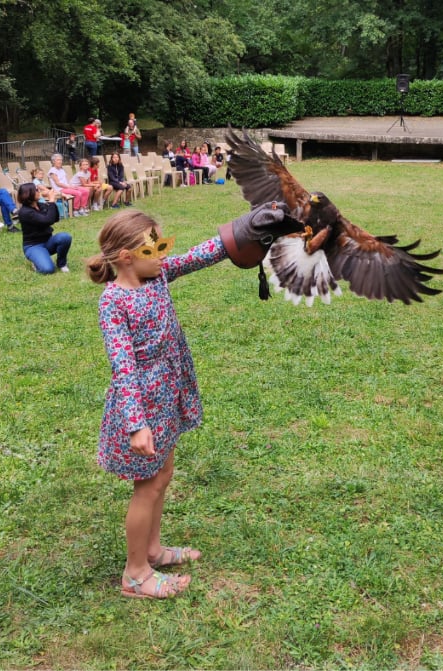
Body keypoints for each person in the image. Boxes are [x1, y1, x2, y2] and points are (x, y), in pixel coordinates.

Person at [84, 204, 292, 599]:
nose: (163, 254)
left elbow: (203, 254)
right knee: (146, 485)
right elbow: (122, 366)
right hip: (142, 404)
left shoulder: (157, 275)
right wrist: (136, 423)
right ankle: (135, 574)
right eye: (154, 247)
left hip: (168, 393)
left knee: (162, 476)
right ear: (127, 257)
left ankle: (153, 551)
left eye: (163, 245)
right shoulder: (113, 302)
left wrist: (247, 227)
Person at [16, 182, 72, 274]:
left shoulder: (40, 205)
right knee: (48, 269)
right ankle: (37, 262)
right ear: (29, 194)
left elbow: (55, 218)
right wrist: (51, 201)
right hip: (33, 246)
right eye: (37, 190)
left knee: (65, 237)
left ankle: (62, 264)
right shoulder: (25, 212)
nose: (39, 191)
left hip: (48, 241)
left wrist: (52, 203)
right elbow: (47, 221)